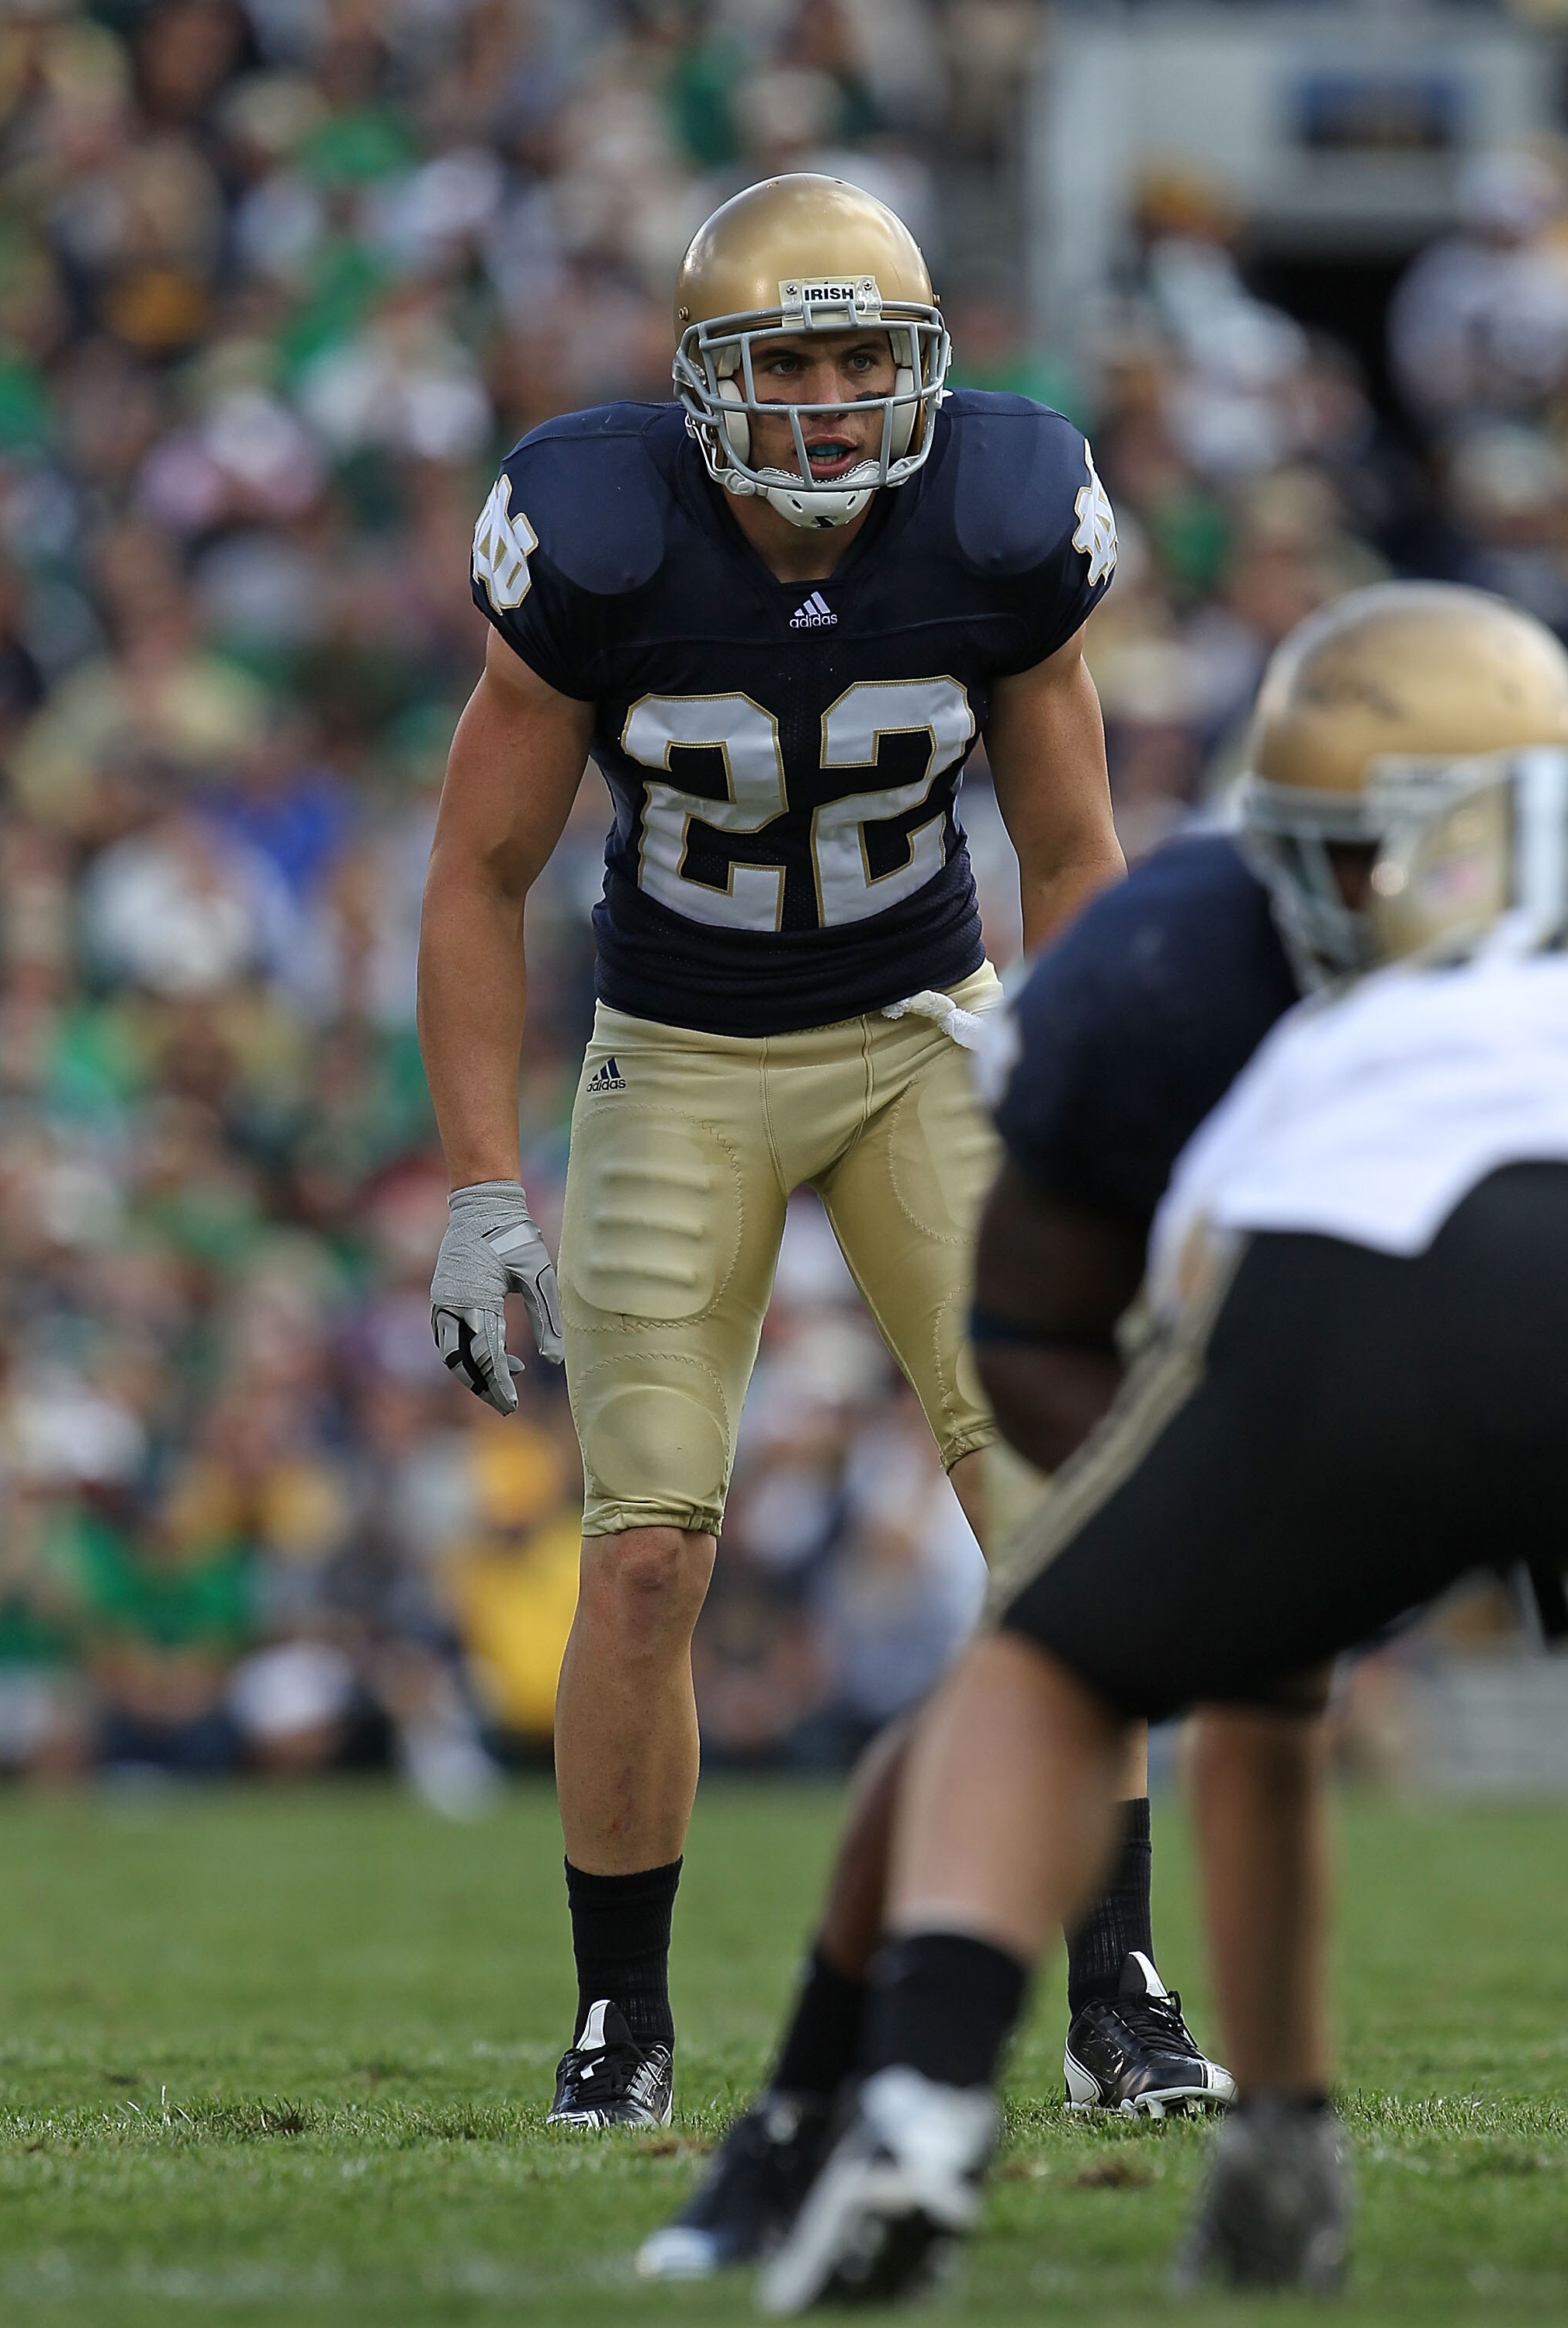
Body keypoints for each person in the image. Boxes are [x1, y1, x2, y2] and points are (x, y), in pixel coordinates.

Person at [639, 577, 1568, 2273]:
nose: (1410, 904)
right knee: (1078, 1652)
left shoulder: (1214, 964)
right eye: (1367, 855)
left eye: (1445, 851)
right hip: (1330, 1360)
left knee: (1061, 1665)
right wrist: (1196, 1520)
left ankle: (850, 2103)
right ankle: (932, 2099)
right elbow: (1032, 1334)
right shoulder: (1163, 971)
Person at [417, 171, 1137, 2130]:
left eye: (859, 358)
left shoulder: (997, 514)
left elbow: (1071, 852)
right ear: (700, 382)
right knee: (645, 1557)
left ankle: (1117, 1989)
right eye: (787, 359)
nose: (827, 402)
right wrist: (484, 1180)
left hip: (924, 1041)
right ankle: (620, 2022)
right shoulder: (598, 527)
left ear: (921, 370)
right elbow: (481, 877)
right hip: (679, 1048)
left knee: (1058, 1504)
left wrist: (1078, 1117)